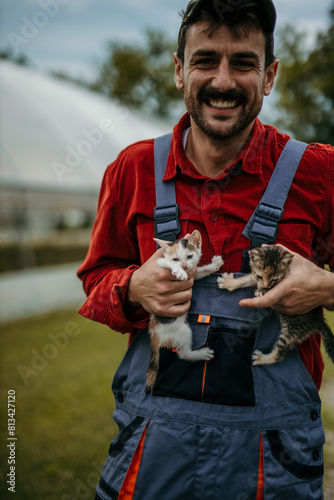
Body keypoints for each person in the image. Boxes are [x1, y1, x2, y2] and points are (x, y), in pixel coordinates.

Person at [77, 1, 334, 498]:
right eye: (205, 60)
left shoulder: (319, 173)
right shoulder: (132, 170)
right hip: (154, 457)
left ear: (270, 76)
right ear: (179, 70)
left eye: (243, 63)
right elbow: (96, 279)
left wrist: (325, 287)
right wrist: (132, 287)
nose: (223, 80)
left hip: (273, 466)